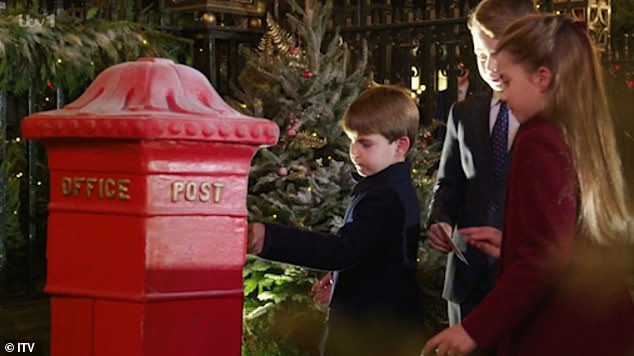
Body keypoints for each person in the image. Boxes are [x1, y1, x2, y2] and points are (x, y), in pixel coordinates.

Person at [423, 14, 634, 356]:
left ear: (541, 78)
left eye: (506, 82)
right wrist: (511, 244)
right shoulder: (579, 130)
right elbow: (567, 234)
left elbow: (546, 256)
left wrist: (473, 329)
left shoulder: (539, 138)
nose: (502, 96)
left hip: (560, 327)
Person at [247, 84, 424, 356]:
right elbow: (373, 251)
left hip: (372, 335)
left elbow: (343, 251)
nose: (355, 151)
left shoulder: (385, 196)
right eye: (352, 140)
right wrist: (342, 277)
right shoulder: (385, 185)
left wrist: (267, 238)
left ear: (400, 145)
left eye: (366, 143)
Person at [426, 0, 536, 340]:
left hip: (525, 281)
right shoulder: (464, 114)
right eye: (479, 54)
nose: (488, 66)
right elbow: (449, 184)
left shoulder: (549, 118)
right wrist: (440, 220)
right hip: (467, 281)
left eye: (497, 53)